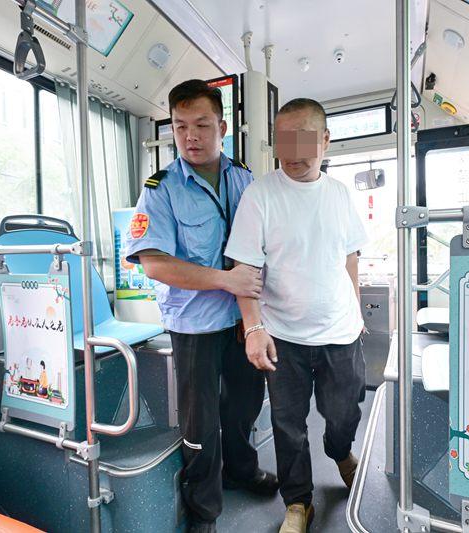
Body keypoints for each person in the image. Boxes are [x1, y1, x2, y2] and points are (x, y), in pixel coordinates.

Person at [125, 79, 278, 533]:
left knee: (245, 406)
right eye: (180, 126)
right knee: (200, 422)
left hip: (242, 319)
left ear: (222, 128)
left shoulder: (244, 178)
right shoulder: (161, 189)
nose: (190, 136)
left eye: (202, 125)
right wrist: (225, 280)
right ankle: (204, 509)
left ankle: (241, 470)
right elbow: (154, 264)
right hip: (193, 325)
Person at [225, 98, 368, 533]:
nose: (293, 153)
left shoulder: (339, 194)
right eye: (284, 141)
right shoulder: (260, 195)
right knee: (288, 425)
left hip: (340, 332)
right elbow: (244, 269)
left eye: (304, 140)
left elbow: (350, 257)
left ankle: (339, 451)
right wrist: (253, 327)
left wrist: (356, 307)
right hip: (283, 334)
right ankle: (298, 502)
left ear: (325, 141)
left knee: (344, 413)